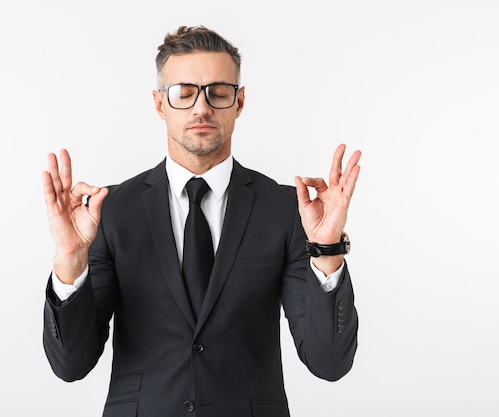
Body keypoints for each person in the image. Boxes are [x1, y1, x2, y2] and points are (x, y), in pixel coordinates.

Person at [42, 25, 361, 417]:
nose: (201, 107)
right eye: (184, 93)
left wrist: (327, 250)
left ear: (239, 102)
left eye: (218, 91)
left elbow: (329, 364)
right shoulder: (110, 210)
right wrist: (70, 260)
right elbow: (71, 365)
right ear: (160, 104)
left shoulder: (286, 210)